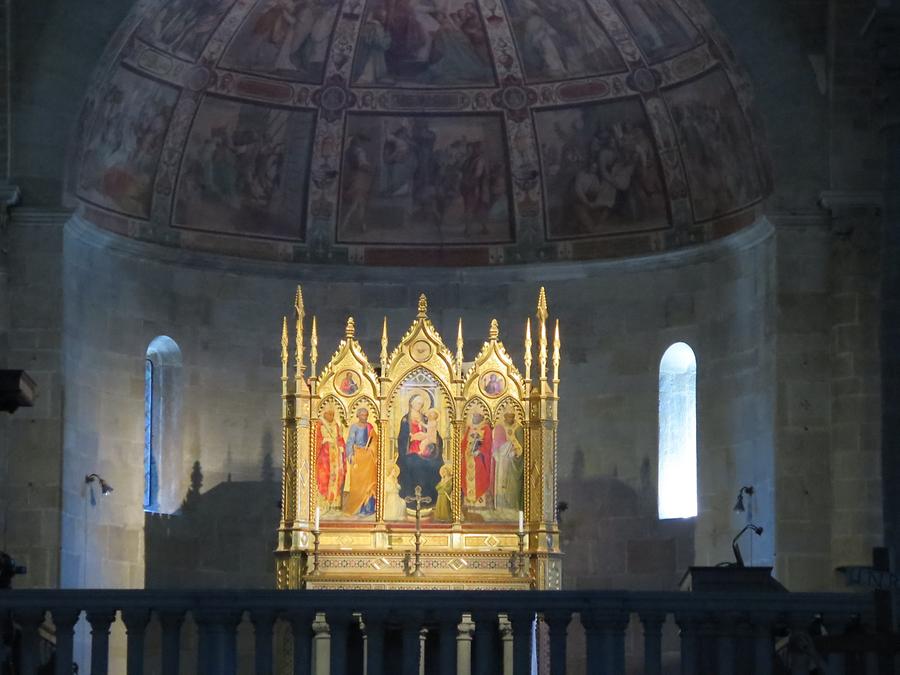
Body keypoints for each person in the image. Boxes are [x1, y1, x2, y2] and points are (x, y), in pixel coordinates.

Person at [397, 393, 443, 503]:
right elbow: (402, 439)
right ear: (411, 403)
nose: (420, 405)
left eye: (422, 404)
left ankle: (430, 498)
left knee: (435, 464)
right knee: (411, 463)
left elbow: (435, 435)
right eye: (418, 403)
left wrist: (434, 439)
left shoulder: (426, 418)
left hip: (426, 450)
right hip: (410, 450)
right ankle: (410, 498)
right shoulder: (405, 419)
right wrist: (411, 439)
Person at [342, 407, 378, 515]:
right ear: (358, 415)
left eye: (366, 415)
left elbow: (375, 441)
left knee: (370, 483)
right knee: (358, 483)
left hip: (369, 458)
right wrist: (350, 455)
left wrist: (371, 447)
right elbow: (349, 442)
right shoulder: (354, 427)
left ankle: (368, 508)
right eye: (362, 415)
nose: (364, 417)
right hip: (358, 457)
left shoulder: (370, 427)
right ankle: (358, 508)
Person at [315, 404, 346, 510]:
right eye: (329, 414)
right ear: (324, 414)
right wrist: (324, 441)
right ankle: (323, 502)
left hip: (336, 455)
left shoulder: (336, 425)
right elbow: (315, 439)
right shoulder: (319, 424)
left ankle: (333, 502)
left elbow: (340, 438)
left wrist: (341, 446)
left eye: (332, 414)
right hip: (324, 455)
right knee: (324, 475)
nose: (331, 416)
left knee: (337, 475)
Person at [461, 408, 493, 507]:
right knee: (464, 474)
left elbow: (488, 444)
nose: (474, 417)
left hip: (479, 458)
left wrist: (479, 451)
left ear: (481, 417)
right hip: (467, 458)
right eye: (473, 415)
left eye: (477, 415)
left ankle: (480, 502)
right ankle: (468, 501)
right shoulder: (469, 428)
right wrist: (462, 451)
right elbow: (464, 442)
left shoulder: (485, 428)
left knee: (479, 475)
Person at [493, 410, 524, 510]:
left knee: (512, 485)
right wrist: (506, 448)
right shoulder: (500, 427)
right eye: (508, 417)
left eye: (512, 416)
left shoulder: (518, 428)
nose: (510, 419)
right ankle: (501, 506)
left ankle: (513, 505)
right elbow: (496, 446)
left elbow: (522, 447)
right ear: (505, 417)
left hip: (513, 462)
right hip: (502, 461)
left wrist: (515, 452)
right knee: (501, 482)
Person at [353, 7, 393, 83]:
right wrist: (388, 36)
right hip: (374, 54)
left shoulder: (367, 25)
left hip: (365, 53)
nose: (384, 19)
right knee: (370, 72)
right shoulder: (377, 27)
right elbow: (381, 43)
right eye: (383, 17)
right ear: (379, 17)